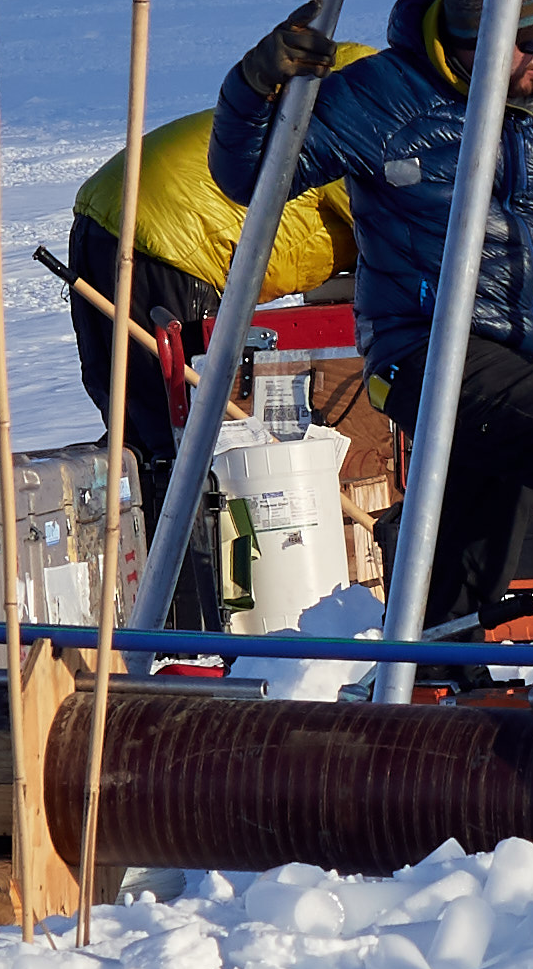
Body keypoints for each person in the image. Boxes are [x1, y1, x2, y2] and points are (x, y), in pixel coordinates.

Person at [205, 0, 533, 636]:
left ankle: (437, 670)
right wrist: (251, 88)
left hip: (531, 352)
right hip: (428, 345)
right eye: (523, 45)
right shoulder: (383, 99)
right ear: (469, 44)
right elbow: (250, 178)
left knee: (476, 540)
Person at [63, 58, 368, 581]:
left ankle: (142, 583)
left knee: (135, 422)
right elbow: (407, 239)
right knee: (188, 438)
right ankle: (193, 592)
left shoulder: (311, 106)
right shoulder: (367, 128)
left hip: (105, 217)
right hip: (174, 240)